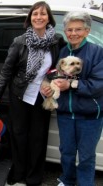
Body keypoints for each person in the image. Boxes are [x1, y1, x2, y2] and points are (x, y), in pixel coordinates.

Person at [0, 1, 66, 185]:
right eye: (35, 14)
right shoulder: (20, 41)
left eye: (43, 14)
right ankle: (18, 174)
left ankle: (34, 177)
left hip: (42, 97)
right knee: (19, 136)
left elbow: (59, 68)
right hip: (20, 94)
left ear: (49, 18)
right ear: (29, 18)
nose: (38, 17)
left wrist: (52, 83)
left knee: (38, 138)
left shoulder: (57, 41)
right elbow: (6, 71)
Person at [46, 11, 103, 186]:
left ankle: (85, 183)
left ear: (87, 31)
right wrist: (48, 87)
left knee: (86, 156)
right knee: (67, 153)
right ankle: (67, 180)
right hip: (65, 114)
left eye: (78, 29)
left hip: (89, 115)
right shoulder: (62, 52)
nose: (73, 33)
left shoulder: (97, 52)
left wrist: (70, 85)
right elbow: (52, 76)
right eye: (69, 29)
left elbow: (98, 85)